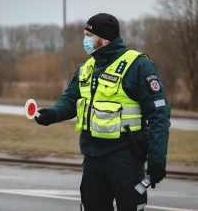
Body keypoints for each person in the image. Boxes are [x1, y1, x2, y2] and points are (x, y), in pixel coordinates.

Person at [35, 13, 170, 211]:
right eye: (85, 34)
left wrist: (157, 159)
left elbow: (159, 114)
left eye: (89, 35)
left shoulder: (138, 65)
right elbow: (71, 99)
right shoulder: (87, 67)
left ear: (105, 38)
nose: (85, 40)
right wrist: (52, 114)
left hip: (126, 158)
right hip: (93, 157)